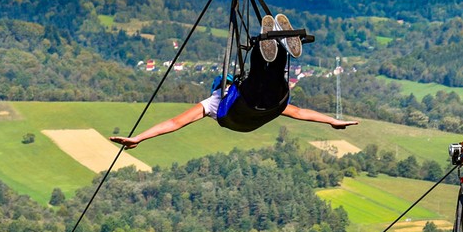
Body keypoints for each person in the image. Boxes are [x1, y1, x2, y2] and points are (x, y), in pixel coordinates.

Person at [110, 14, 358, 149]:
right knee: (265, 76)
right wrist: (330, 121)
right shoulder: (218, 101)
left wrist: (140, 137)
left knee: (266, 77)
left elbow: (176, 122)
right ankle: (276, 46)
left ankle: (277, 46)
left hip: (264, 103)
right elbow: (300, 112)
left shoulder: (214, 102)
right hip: (267, 102)